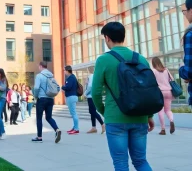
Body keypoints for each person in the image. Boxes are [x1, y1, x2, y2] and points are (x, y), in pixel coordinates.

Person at [92, 22, 154, 171]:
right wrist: (149, 115)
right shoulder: (141, 59)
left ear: (107, 38)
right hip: (140, 117)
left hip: (115, 117)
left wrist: (105, 112)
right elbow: (149, 89)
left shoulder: (103, 60)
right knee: (140, 161)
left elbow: (96, 92)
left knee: (120, 163)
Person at [32, 61, 61, 143]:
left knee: (39, 118)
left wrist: (36, 96)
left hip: (41, 99)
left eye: (39, 66)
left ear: (41, 66)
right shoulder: (52, 76)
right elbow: (58, 88)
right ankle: (57, 129)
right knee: (49, 117)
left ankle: (39, 137)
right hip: (50, 99)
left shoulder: (39, 76)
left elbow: (36, 88)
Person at [152, 57, 175, 135]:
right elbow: (172, 79)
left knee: (160, 110)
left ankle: (163, 129)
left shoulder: (154, 71)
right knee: (168, 110)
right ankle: (171, 120)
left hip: (160, 92)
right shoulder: (166, 70)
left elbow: (152, 82)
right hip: (169, 91)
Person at [62, 65, 79, 135]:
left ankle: (76, 128)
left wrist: (63, 87)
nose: (64, 72)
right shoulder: (70, 77)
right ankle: (75, 127)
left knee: (74, 113)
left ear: (68, 70)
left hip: (71, 97)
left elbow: (68, 87)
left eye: (65, 70)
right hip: (71, 96)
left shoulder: (71, 78)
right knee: (73, 113)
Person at [179, 0, 192, 81]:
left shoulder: (190, 34)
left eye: (185, 11)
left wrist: (181, 69)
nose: (185, 15)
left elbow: (189, 72)